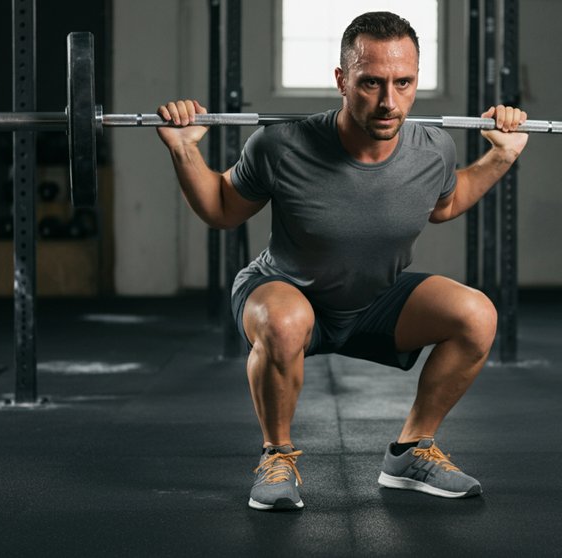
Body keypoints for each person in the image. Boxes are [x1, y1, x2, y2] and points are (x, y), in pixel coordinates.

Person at [156, 11, 528, 511]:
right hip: (285, 289)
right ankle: (277, 455)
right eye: (371, 82)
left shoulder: (433, 147)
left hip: (375, 299)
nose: (388, 102)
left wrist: (500, 157)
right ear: (341, 80)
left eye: (403, 83)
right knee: (286, 322)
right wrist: (183, 151)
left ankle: (411, 452)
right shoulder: (281, 145)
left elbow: (444, 203)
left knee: (477, 315)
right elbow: (223, 209)